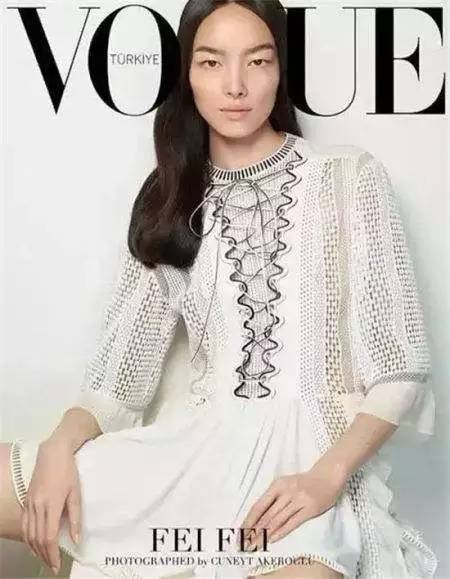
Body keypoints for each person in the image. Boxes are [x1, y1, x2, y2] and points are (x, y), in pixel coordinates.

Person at [0, 1, 438, 578]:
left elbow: (400, 371)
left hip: (306, 468)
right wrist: (60, 446)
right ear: (187, 75)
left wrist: (326, 478)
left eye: (257, 61)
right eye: (211, 62)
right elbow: (118, 384)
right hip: (192, 459)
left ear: (280, 69)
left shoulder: (347, 175)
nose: (236, 86)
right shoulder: (169, 197)